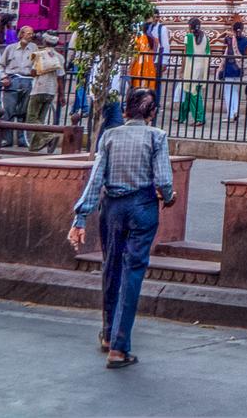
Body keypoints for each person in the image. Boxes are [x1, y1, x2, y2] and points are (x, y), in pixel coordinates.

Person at [68, 88, 176, 368]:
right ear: (152, 113)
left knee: (111, 266)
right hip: (142, 206)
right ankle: (119, 345)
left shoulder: (110, 136)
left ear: (126, 111)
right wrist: (170, 196)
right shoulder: (157, 136)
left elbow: (96, 180)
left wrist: (80, 218)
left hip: (112, 207)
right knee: (133, 272)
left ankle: (107, 334)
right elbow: (163, 180)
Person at [25, 31, 66, 150]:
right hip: (51, 91)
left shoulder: (39, 54)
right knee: (40, 119)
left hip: (38, 89)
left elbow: (33, 73)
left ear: (45, 42)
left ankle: (48, 136)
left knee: (31, 118)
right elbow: (60, 77)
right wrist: (62, 95)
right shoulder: (60, 57)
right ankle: (34, 146)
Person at [0, 24, 39, 121]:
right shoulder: (10, 48)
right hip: (13, 80)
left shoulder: (34, 48)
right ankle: (7, 135)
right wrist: (3, 77)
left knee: (23, 112)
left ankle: (21, 135)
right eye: (28, 33)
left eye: (32, 34)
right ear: (21, 34)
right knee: (9, 111)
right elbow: (0, 65)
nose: (31, 36)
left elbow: (36, 64)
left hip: (27, 80)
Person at [176, 19, 210, 128]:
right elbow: (207, 53)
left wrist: (181, 70)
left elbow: (187, 55)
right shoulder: (205, 37)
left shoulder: (189, 37)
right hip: (201, 67)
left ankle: (199, 118)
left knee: (194, 93)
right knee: (189, 93)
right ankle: (182, 116)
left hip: (191, 67)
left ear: (190, 26)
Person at [218, 22, 246, 123]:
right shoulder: (246, 40)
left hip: (229, 68)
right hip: (239, 68)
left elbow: (218, 38)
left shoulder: (229, 39)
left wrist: (226, 32)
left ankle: (231, 115)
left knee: (228, 92)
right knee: (235, 91)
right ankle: (235, 111)